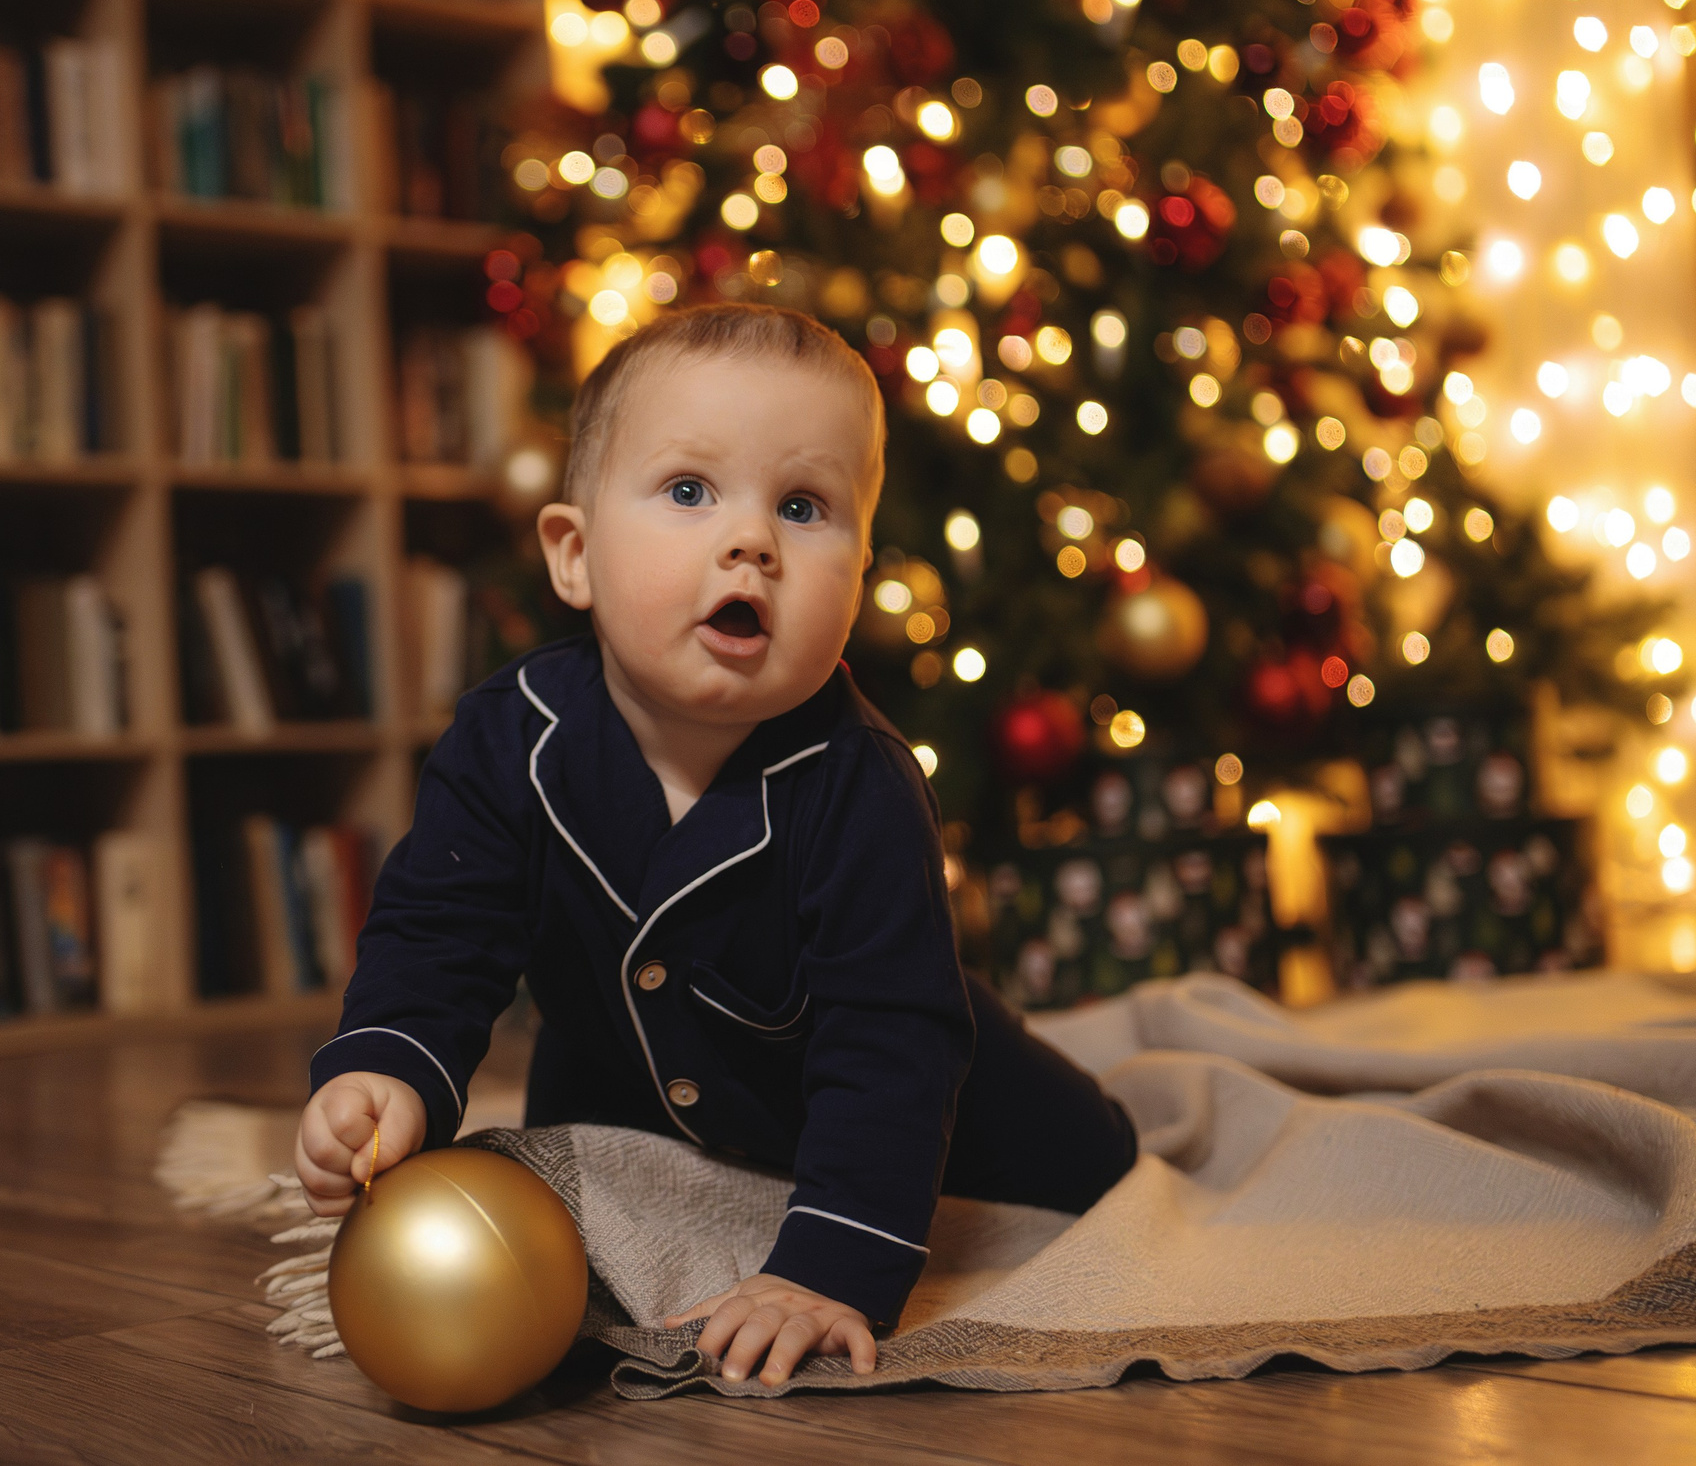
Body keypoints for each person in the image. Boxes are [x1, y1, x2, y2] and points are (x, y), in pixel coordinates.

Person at [295, 305, 1136, 1388]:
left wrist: (827, 1269)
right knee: (581, 1234)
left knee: (1092, 1166)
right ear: (575, 555)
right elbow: (437, 932)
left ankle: (1096, 1131)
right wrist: (384, 1067)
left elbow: (890, 1044)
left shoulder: (861, 786)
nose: (752, 540)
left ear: (861, 567)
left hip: (924, 1089)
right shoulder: (509, 740)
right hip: (624, 1089)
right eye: (689, 492)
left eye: (802, 506)